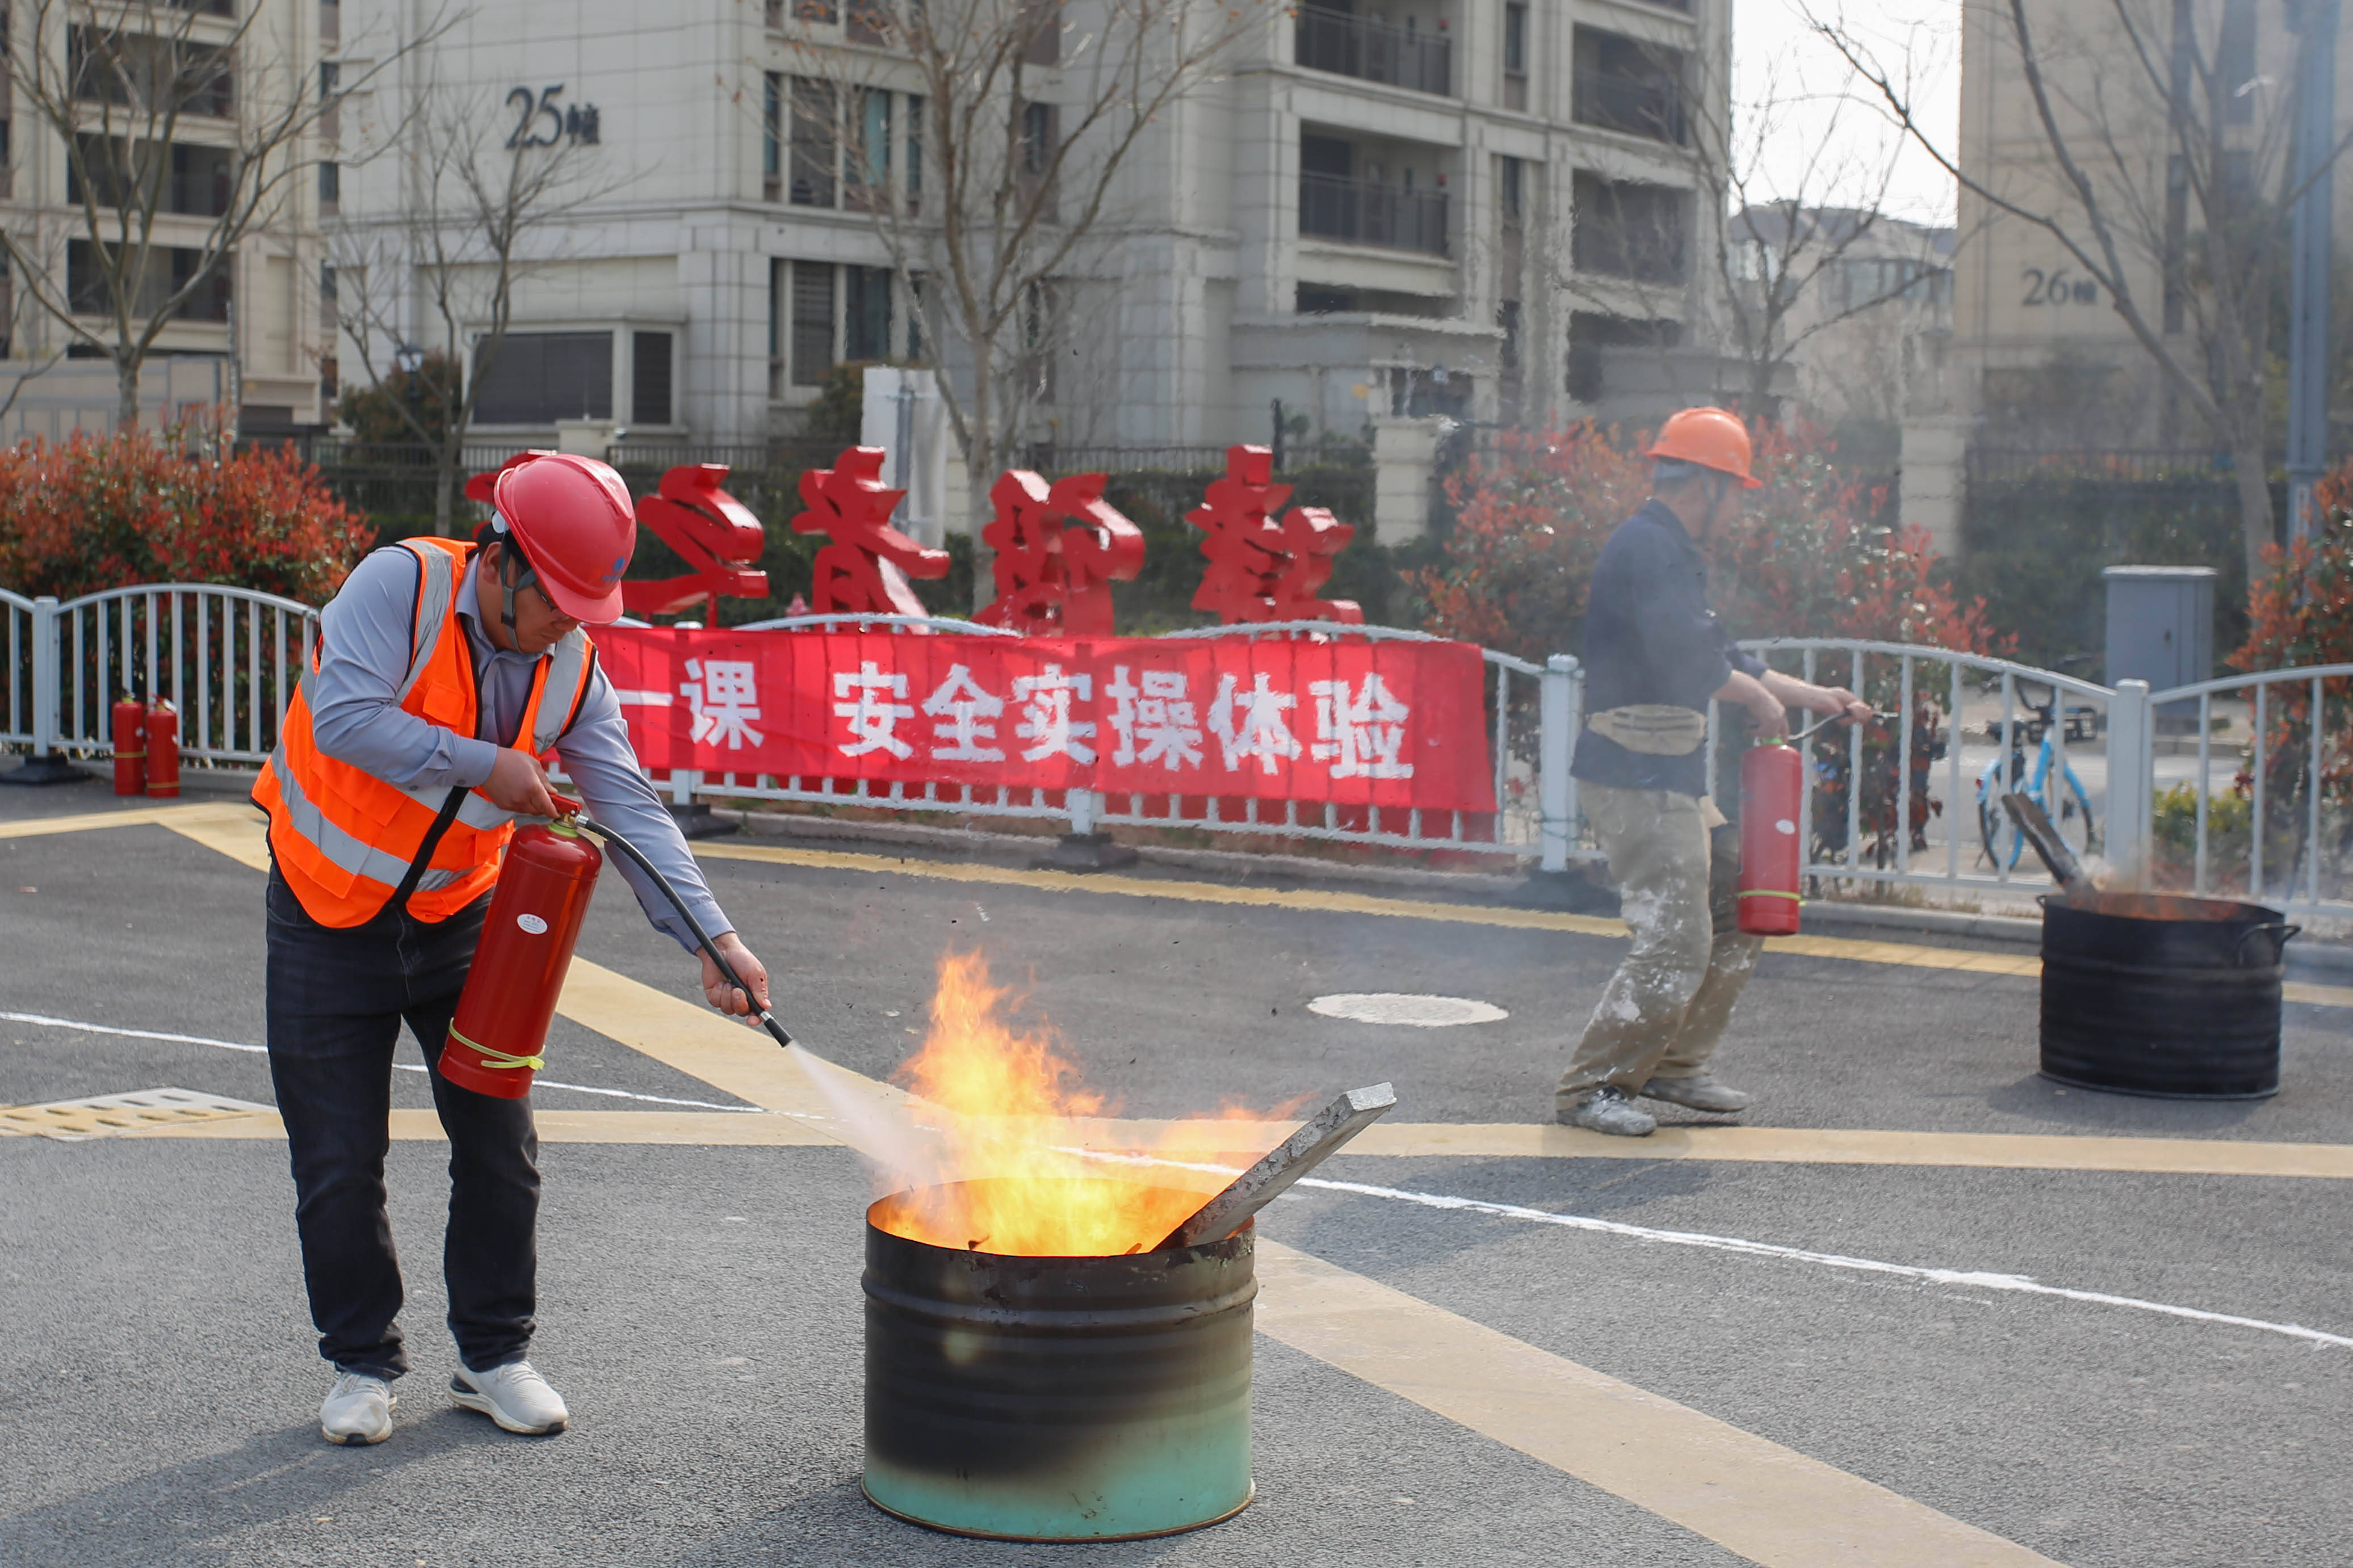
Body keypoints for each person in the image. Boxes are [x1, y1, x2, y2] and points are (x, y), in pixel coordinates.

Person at [253, 451, 774, 1445]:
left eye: (586, 606)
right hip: (324, 915)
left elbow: (630, 807)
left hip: (459, 923)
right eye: (559, 602)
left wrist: (715, 939)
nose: (569, 624)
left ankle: (493, 1354)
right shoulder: (397, 586)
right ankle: (360, 1364)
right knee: (338, 1159)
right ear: (502, 563)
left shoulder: (572, 665)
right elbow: (347, 719)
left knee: (500, 1146)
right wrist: (493, 766)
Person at [1555, 408, 1868, 1138]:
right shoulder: (1646, 547)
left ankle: (1672, 1063)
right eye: (1740, 492)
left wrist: (1812, 696)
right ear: (1708, 484)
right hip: (1634, 774)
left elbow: (1726, 656)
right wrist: (1759, 700)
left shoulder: (1668, 550)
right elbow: (1687, 660)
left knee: (1738, 901)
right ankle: (1591, 1087)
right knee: (1674, 934)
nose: (1741, 510)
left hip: (1669, 774)